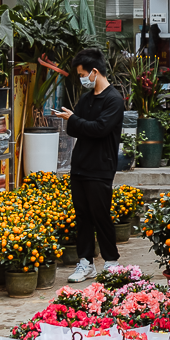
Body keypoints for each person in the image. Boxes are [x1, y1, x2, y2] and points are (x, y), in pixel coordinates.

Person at [56, 46, 125, 284]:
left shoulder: (114, 100)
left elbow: (100, 129)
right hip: (80, 165)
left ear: (94, 71)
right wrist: (76, 121)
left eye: (82, 74)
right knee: (82, 216)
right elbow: (74, 128)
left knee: (100, 214)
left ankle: (111, 261)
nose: (82, 79)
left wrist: (76, 120)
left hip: (101, 166)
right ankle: (85, 262)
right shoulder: (86, 99)